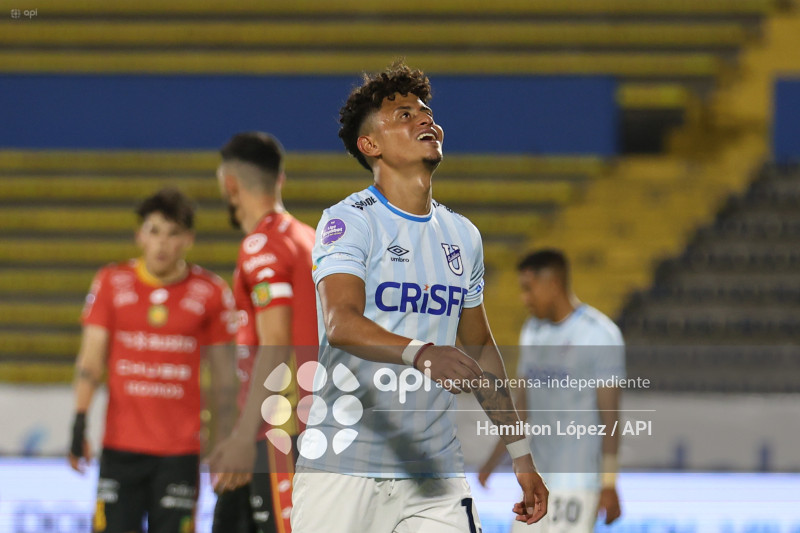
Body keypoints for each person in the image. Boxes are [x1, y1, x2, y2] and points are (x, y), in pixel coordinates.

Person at [289, 61, 549, 533]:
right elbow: (340, 323)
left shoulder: (463, 235)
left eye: (426, 112)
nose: (426, 120)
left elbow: (481, 349)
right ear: (371, 146)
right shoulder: (349, 221)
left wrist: (521, 455)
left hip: (434, 474)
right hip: (344, 465)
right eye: (404, 116)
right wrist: (422, 354)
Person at [69, 187, 238, 533]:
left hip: (180, 452)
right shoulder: (111, 283)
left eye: (173, 233)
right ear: (139, 236)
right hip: (120, 447)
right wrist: (79, 424)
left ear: (188, 239)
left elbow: (225, 381)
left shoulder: (211, 292)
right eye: (154, 231)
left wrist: (224, 441)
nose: (163, 243)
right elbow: (90, 362)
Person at [208, 132, 318, 533]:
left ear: (230, 185)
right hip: (307, 425)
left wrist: (242, 436)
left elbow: (276, 343)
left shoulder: (261, 246)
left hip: (279, 433)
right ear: (281, 179)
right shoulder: (309, 238)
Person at [478, 249, 625, 533]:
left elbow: (611, 420)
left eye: (528, 289)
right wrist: (492, 460)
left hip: (578, 483)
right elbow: (522, 408)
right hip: (538, 480)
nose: (524, 299)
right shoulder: (532, 330)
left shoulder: (599, 335)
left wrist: (609, 483)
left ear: (553, 284)